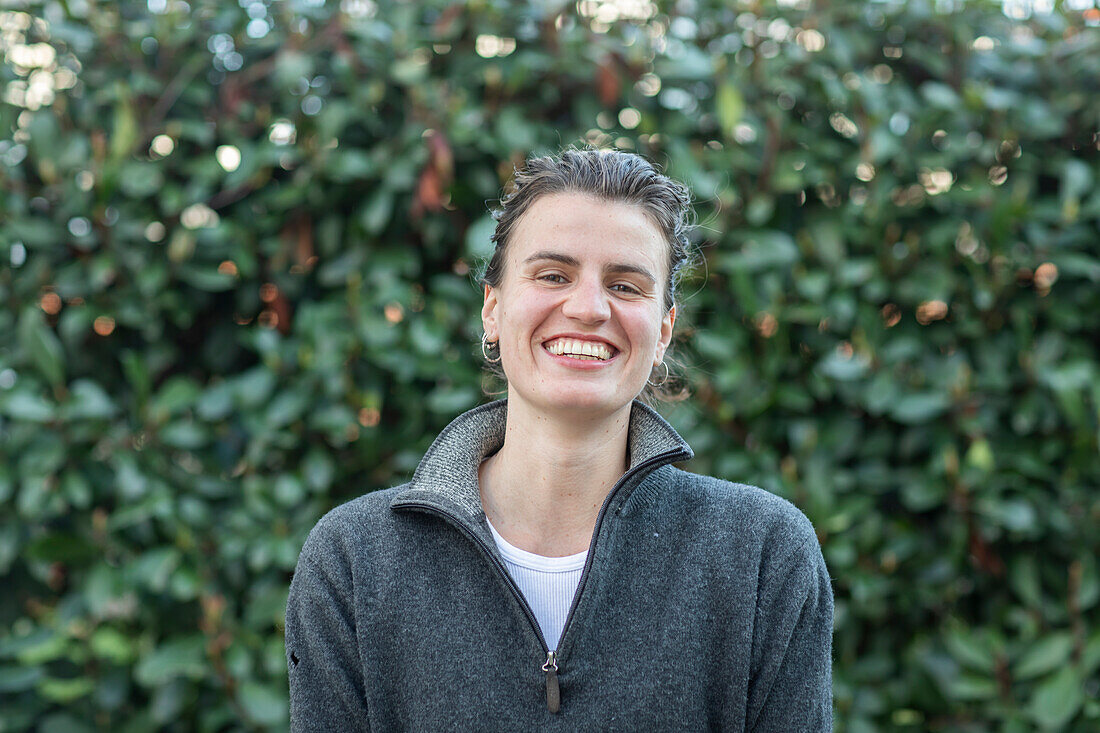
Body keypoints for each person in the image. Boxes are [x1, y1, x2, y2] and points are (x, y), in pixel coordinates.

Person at [285, 149, 833, 731]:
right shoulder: (354, 560)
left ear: (664, 330)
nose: (588, 308)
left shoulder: (762, 555)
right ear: (492, 309)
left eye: (625, 285)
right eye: (553, 275)